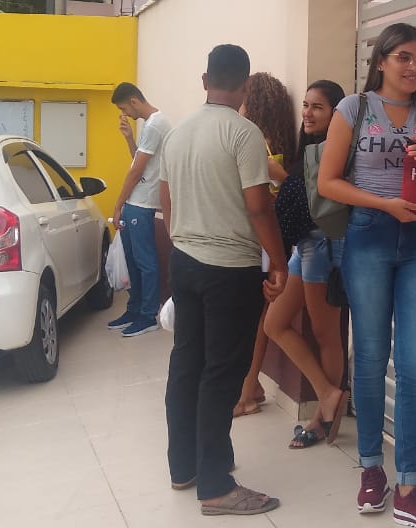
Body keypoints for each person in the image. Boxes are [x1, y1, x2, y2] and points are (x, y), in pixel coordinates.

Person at [318, 22, 416, 528]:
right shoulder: (353, 109)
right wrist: (384, 204)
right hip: (369, 235)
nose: (414, 67)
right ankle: (371, 469)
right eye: (404, 57)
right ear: (381, 61)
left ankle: (410, 485)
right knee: (372, 357)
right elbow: (328, 182)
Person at [159, 44, 289, 517]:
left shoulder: (177, 133)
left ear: (205, 80)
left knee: (186, 363)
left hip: (185, 261)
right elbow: (259, 207)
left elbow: (166, 201)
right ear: (246, 85)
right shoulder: (244, 133)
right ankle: (215, 486)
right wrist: (279, 262)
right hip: (229, 269)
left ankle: (184, 466)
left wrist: (182, 243)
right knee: (222, 372)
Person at [263, 79, 350, 449]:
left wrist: (281, 180)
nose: (308, 113)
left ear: (336, 113)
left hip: (324, 246)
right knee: (275, 323)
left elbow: (308, 200)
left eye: (318, 107)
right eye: (306, 105)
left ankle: (322, 416)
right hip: (305, 246)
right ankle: (328, 393)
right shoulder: (312, 150)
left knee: (325, 333)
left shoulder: (337, 150)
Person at [232, 72, 296, 418]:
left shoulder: (254, 142)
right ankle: (251, 385)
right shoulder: (275, 141)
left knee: (255, 319)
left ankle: (245, 392)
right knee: (256, 317)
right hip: (270, 239)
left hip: (260, 240)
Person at [105, 82, 172, 337]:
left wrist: (117, 205)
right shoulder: (150, 124)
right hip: (136, 202)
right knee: (133, 261)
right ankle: (134, 310)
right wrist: (129, 138)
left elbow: (135, 172)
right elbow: (139, 161)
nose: (125, 114)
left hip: (142, 203)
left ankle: (147, 315)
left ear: (134, 101)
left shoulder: (155, 125)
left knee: (145, 261)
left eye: (124, 108)